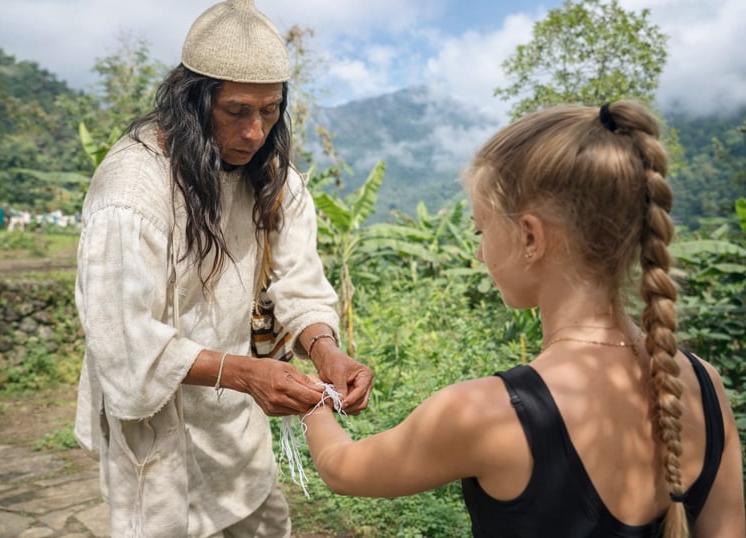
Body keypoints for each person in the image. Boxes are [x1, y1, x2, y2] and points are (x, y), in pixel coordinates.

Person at [302, 101, 745, 537]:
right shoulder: (703, 385)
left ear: (530, 236)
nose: (479, 253)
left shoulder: (485, 412)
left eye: (481, 230)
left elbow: (343, 468)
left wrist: (312, 401)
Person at [73, 1, 374, 536]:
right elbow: (124, 342)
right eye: (236, 111)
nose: (256, 132)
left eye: (269, 110)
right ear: (192, 101)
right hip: (157, 427)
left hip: (235, 423)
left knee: (259, 519)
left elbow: (298, 283)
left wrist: (326, 349)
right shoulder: (131, 191)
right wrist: (243, 373)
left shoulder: (274, 183)